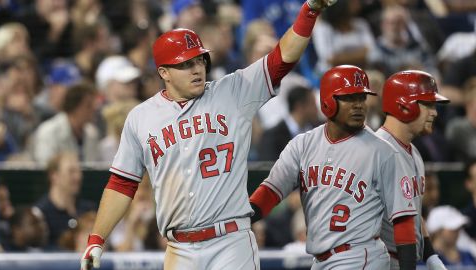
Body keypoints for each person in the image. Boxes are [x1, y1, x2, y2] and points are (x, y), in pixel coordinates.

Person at [80, 1, 338, 269]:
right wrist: (97, 239)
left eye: (200, 60)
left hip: (230, 242)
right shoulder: (140, 118)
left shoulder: (233, 92)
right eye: (185, 64)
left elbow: (282, 59)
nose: (196, 69)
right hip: (179, 248)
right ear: (164, 73)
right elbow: (122, 184)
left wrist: (309, 11)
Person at [250, 65, 418, 270]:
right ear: (327, 101)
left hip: (361, 257)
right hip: (320, 260)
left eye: (362, 98)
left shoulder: (383, 152)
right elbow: (270, 192)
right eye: (350, 98)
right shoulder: (303, 145)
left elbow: (404, 223)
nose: (359, 106)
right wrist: (240, 219)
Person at [376, 70, 449, 270]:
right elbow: (402, 223)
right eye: (427, 104)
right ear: (403, 106)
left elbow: (414, 212)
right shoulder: (379, 150)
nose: (434, 112)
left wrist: (431, 256)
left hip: (402, 259)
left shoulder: (413, 152)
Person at [258, 85, 319, 161]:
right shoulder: (271, 136)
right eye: (313, 104)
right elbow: (268, 168)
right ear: (299, 107)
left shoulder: (319, 131)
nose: (317, 109)